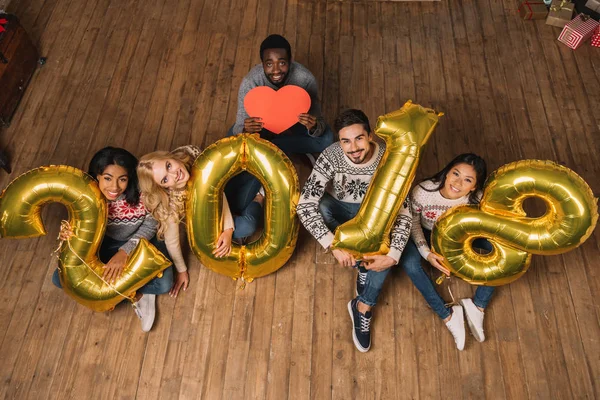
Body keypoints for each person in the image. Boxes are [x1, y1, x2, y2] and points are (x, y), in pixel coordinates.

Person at [296, 109, 412, 353]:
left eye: (359, 138)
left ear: (370, 136)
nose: (353, 148)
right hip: (339, 207)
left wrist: (394, 255)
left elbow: (404, 210)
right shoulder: (331, 155)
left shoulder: (389, 159)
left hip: (375, 214)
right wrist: (333, 245)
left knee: (382, 254)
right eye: (345, 141)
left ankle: (363, 307)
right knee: (322, 206)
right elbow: (305, 204)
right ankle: (359, 260)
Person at [54, 147, 173, 332]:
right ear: (97, 176)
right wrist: (69, 234)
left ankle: (135, 293)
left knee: (165, 283)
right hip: (104, 244)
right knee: (59, 279)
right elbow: (79, 226)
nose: (114, 187)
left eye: (122, 179)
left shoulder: (143, 191)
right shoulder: (86, 196)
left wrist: (125, 252)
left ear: (130, 178)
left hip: (141, 240)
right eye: (108, 178)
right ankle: (134, 288)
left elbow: (150, 226)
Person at [400, 153, 493, 350]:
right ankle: (448, 315)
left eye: (467, 180)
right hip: (425, 232)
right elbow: (413, 222)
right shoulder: (423, 192)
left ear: (474, 186)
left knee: (501, 249)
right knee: (410, 264)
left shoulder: (476, 199)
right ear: (447, 171)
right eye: (455, 174)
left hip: (457, 236)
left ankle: (478, 306)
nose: (458, 183)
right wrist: (426, 253)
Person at [137, 145, 261, 290]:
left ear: (171, 157)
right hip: (208, 218)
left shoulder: (195, 161)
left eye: (169, 165)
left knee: (256, 172)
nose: (174, 174)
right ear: (163, 187)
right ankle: (260, 198)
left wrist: (228, 229)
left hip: (223, 192)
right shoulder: (168, 203)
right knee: (247, 226)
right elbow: (172, 241)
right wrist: (181, 270)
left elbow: (219, 193)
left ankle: (255, 195)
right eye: (165, 179)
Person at [229, 34, 334, 159]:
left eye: (282, 63)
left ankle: (270, 146)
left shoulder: (305, 79)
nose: (276, 70)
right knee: (231, 141)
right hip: (262, 126)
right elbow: (238, 127)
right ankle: (281, 146)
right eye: (269, 64)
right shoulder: (250, 82)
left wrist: (313, 126)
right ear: (262, 64)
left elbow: (318, 122)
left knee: (327, 140)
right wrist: (245, 129)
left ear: (290, 61)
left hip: (295, 123)